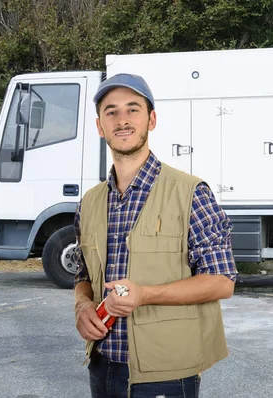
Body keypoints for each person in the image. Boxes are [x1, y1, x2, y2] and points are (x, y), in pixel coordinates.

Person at [73, 73, 237, 398]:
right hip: (102, 366)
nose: (122, 120)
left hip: (167, 373)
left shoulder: (191, 193)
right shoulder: (90, 202)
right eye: (111, 111)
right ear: (99, 126)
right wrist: (81, 307)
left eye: (133, 109)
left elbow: (222, 281)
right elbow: (84, 275)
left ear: (151, 120)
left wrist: (144, 295)